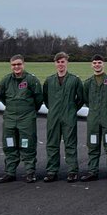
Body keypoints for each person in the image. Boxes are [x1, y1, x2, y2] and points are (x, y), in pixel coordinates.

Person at [0, 55, 43, 183]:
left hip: (26, 120)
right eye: (13, 65)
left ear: (23, 64)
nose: (16, 67)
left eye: (19, 64)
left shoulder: (31, 80)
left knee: (27, 146)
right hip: (10, 119)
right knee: (9, 145)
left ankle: (30, 172)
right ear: (10, 65)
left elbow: (38, 99)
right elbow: (2, 98)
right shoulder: (6, 80)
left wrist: (29, 111)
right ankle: (10, 172)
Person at [42, 52, 84, 182]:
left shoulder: (74, 80)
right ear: (55, 63)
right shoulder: (49, 80)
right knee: (52, 144)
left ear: (67, 63)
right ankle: (51, 171)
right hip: (53, 116)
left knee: (70, 144)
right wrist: (54, 109)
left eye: (63, 62)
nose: (61, 64)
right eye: (58, 62)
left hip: (68, 116)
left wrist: (71, 109)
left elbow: (81, 99)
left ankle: (72, 171)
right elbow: (46, 98)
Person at [81, 55, 107, 181]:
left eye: (99, 62)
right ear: (91, 65)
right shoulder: (88, 83)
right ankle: (92, 171)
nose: (97, 65)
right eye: (94, 63)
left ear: (104, 64)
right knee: (93, 145)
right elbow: (86, 100)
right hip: (93, 119)